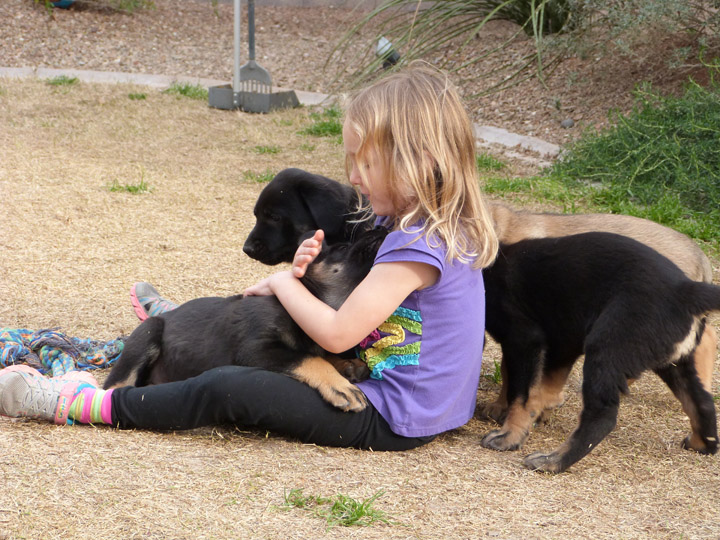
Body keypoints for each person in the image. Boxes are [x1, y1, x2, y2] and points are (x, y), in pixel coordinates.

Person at [0, 63, 499, 451]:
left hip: (392, 416)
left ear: (421, 160)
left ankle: (87, 404)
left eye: (364, 161)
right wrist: (309, 265)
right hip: (408, 399)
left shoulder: (417, 246)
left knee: (225, 389)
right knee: (245, 332)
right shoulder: (424, 226)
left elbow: (340, 332)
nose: (352, 175)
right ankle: (182, 322)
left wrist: (285, 282)